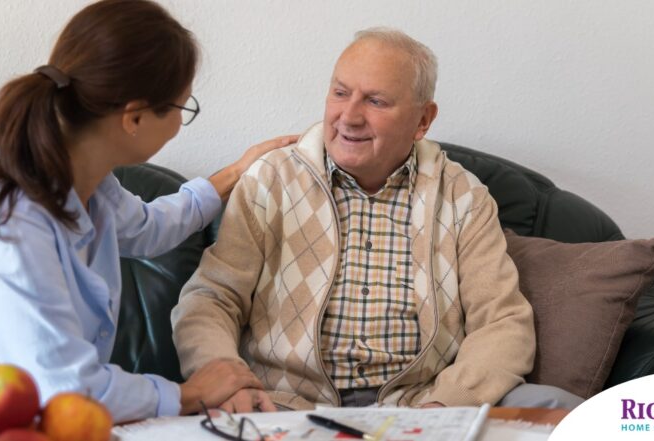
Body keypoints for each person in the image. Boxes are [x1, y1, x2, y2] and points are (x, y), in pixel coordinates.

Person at [172, 27, 584, 412]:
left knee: (558, 406)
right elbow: (212, 299)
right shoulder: (271, 179)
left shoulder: (464, 197)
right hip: (286, 405)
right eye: (340, 93)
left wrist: (446, 406)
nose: (348, 116)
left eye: (375, 101)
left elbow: (502, 321)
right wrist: (227, 380)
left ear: (423, 120)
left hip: (423, 403)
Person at [0, 0, 297, 423]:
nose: (178, 124)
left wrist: (235, 172)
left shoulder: (90, 181)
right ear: (134, 117)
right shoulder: (17, 224)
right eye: (181, 108)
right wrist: (189, 393)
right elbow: (67, 385)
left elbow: (148, 227)